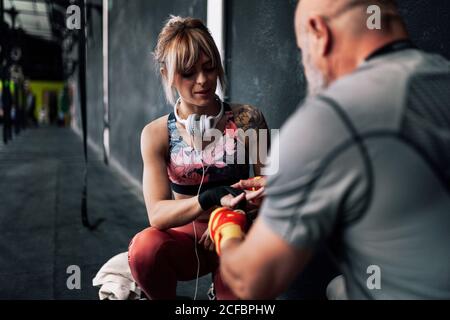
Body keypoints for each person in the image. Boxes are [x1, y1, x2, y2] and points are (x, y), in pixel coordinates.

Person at [210, 0, 450, 299]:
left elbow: (251, 281)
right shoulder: (440, 75)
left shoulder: (330, 118)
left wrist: (227, 228)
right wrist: (292, 186)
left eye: (301, 50)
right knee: (337, 289)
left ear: (318, 32)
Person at [127, 16, 268, 300]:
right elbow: (157, 215)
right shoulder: (155, 134)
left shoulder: (248, 119)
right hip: (188, 240)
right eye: (189, 73)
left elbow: (272, 190)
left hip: (237, 232)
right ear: (167, 75)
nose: (203, 80)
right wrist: (209, 198)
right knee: (144, 250)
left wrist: (239, 215)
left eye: (209, 67)